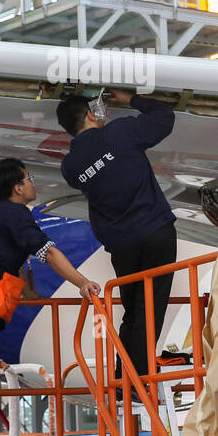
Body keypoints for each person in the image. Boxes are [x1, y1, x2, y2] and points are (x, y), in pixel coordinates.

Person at [0, 158, 100, 435]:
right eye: (30, 178)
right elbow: (48, 252)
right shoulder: (16, 214)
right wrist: (83, 282)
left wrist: (29, 293)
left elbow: (7, 259)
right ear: (17, 188)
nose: (32, 182)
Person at [57, 88, 176, 382]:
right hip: (155, 230)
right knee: (151, 306)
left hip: (122, 243)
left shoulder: (70, 166)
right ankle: (141, 377)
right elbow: (164, 117)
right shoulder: (119, 133)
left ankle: (126, 377)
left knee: (133, 308)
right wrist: (130, 99)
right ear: (89, 114)